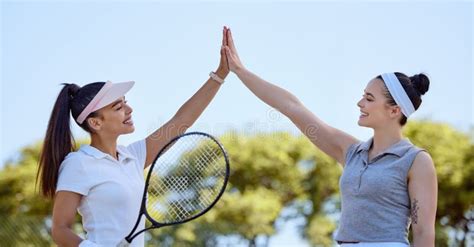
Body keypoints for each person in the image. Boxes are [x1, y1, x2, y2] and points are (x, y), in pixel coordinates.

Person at [223, 28, 437, 246]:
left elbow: (423, 235)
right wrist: (240, 70)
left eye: (369, 98)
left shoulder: (416, 160)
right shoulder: (352, 152)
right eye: (363, 96)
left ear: (394, 110)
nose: (360, 103)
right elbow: (291, 107)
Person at [37, 27, 230, 247]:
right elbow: (60, 230)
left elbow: (180, 122)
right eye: (118, 106)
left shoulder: (133, 157)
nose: (129, 109)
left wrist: (220, 74)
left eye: (125, 102)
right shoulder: (78, 164)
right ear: (96, 122)